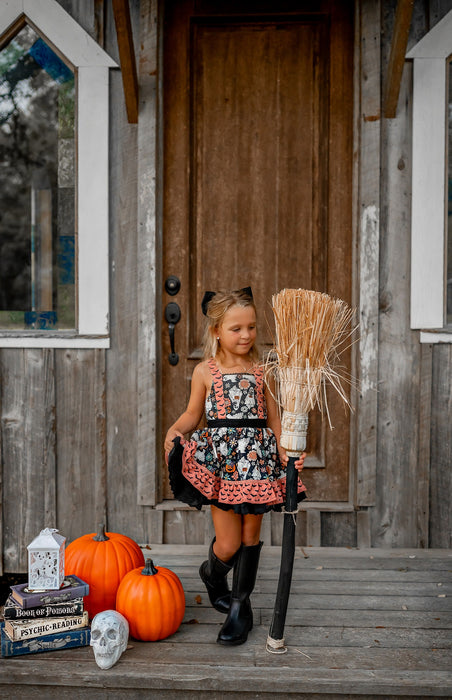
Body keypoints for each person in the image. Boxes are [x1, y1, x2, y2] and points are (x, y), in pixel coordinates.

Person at [164, 287, 306, 646]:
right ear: (216, 331)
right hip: (225, 464)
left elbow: (275, 419)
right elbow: (193, 414)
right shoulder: (205, 372)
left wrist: (289, 451)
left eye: (252, 327)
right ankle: (212, 574)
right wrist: (177, 430)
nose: (246, 335)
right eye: (236, 328)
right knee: (227, 543)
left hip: (257, 462)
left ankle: (240, 607)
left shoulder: (263, 370)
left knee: (250, 537)